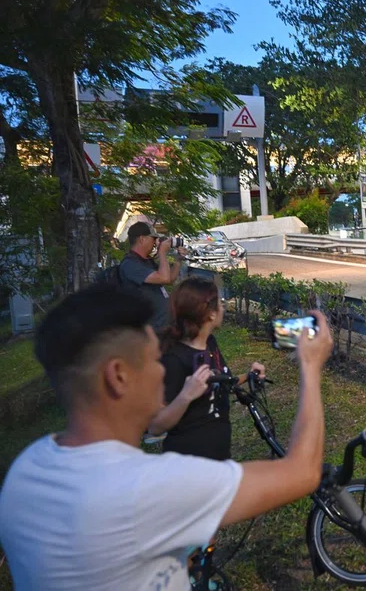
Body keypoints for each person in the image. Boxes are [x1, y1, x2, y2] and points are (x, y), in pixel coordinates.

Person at [0, 284, 331, 590]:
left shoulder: (24, 470)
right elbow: (302, 473)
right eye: (152, 360)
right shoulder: (144, 490)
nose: (161, 369)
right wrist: (310, 366)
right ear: (118, 376)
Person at [148, 277, 264, 461]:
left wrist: (250, 376)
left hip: (218, 458)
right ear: (210, 313)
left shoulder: (210, 344)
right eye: (220, 303)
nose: (223, 307)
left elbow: (222, 382)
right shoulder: (175, 360)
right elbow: (156, 426)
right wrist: (186, 395)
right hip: (188, 466)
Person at [120, 221, 187, 331]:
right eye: (153, 239)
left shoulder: (145, 261)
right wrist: (162, 253)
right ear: (142, 239)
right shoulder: (130, 264)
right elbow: (164, 278)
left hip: (161, 327)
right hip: (148, 330)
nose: (155, 243)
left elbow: (169, 279)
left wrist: (178, 261)